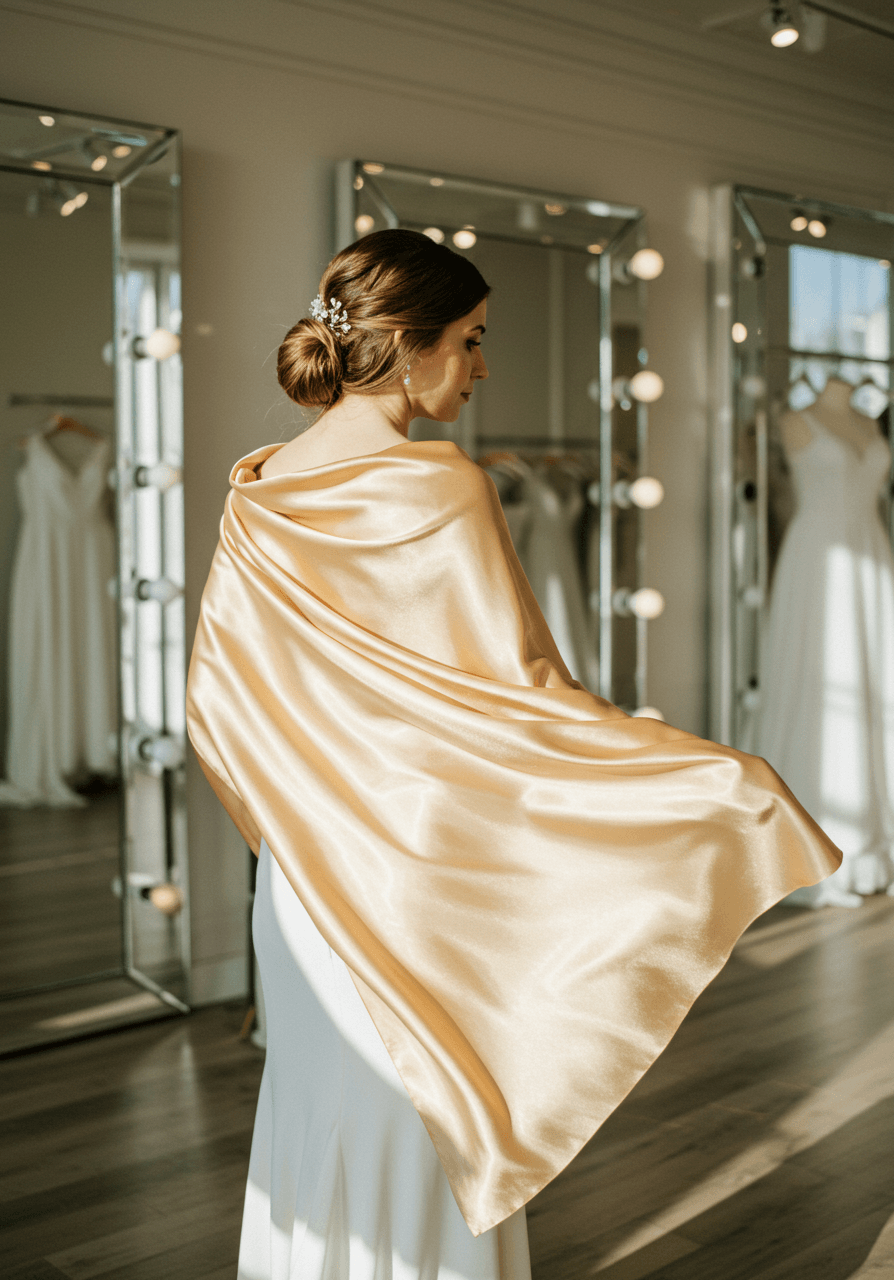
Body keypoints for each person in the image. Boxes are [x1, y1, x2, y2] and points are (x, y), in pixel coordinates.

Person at [186, 229, 841, 1280]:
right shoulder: (442, 485)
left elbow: (213, 709)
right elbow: (526, 695)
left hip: (304, 887)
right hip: (410, 884)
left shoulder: (256, 491)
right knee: (427, 1123)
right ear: (409, 346)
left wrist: (292, 843)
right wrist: (708, 776)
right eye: (474, 340)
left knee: (324, 1111)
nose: (483, 367)